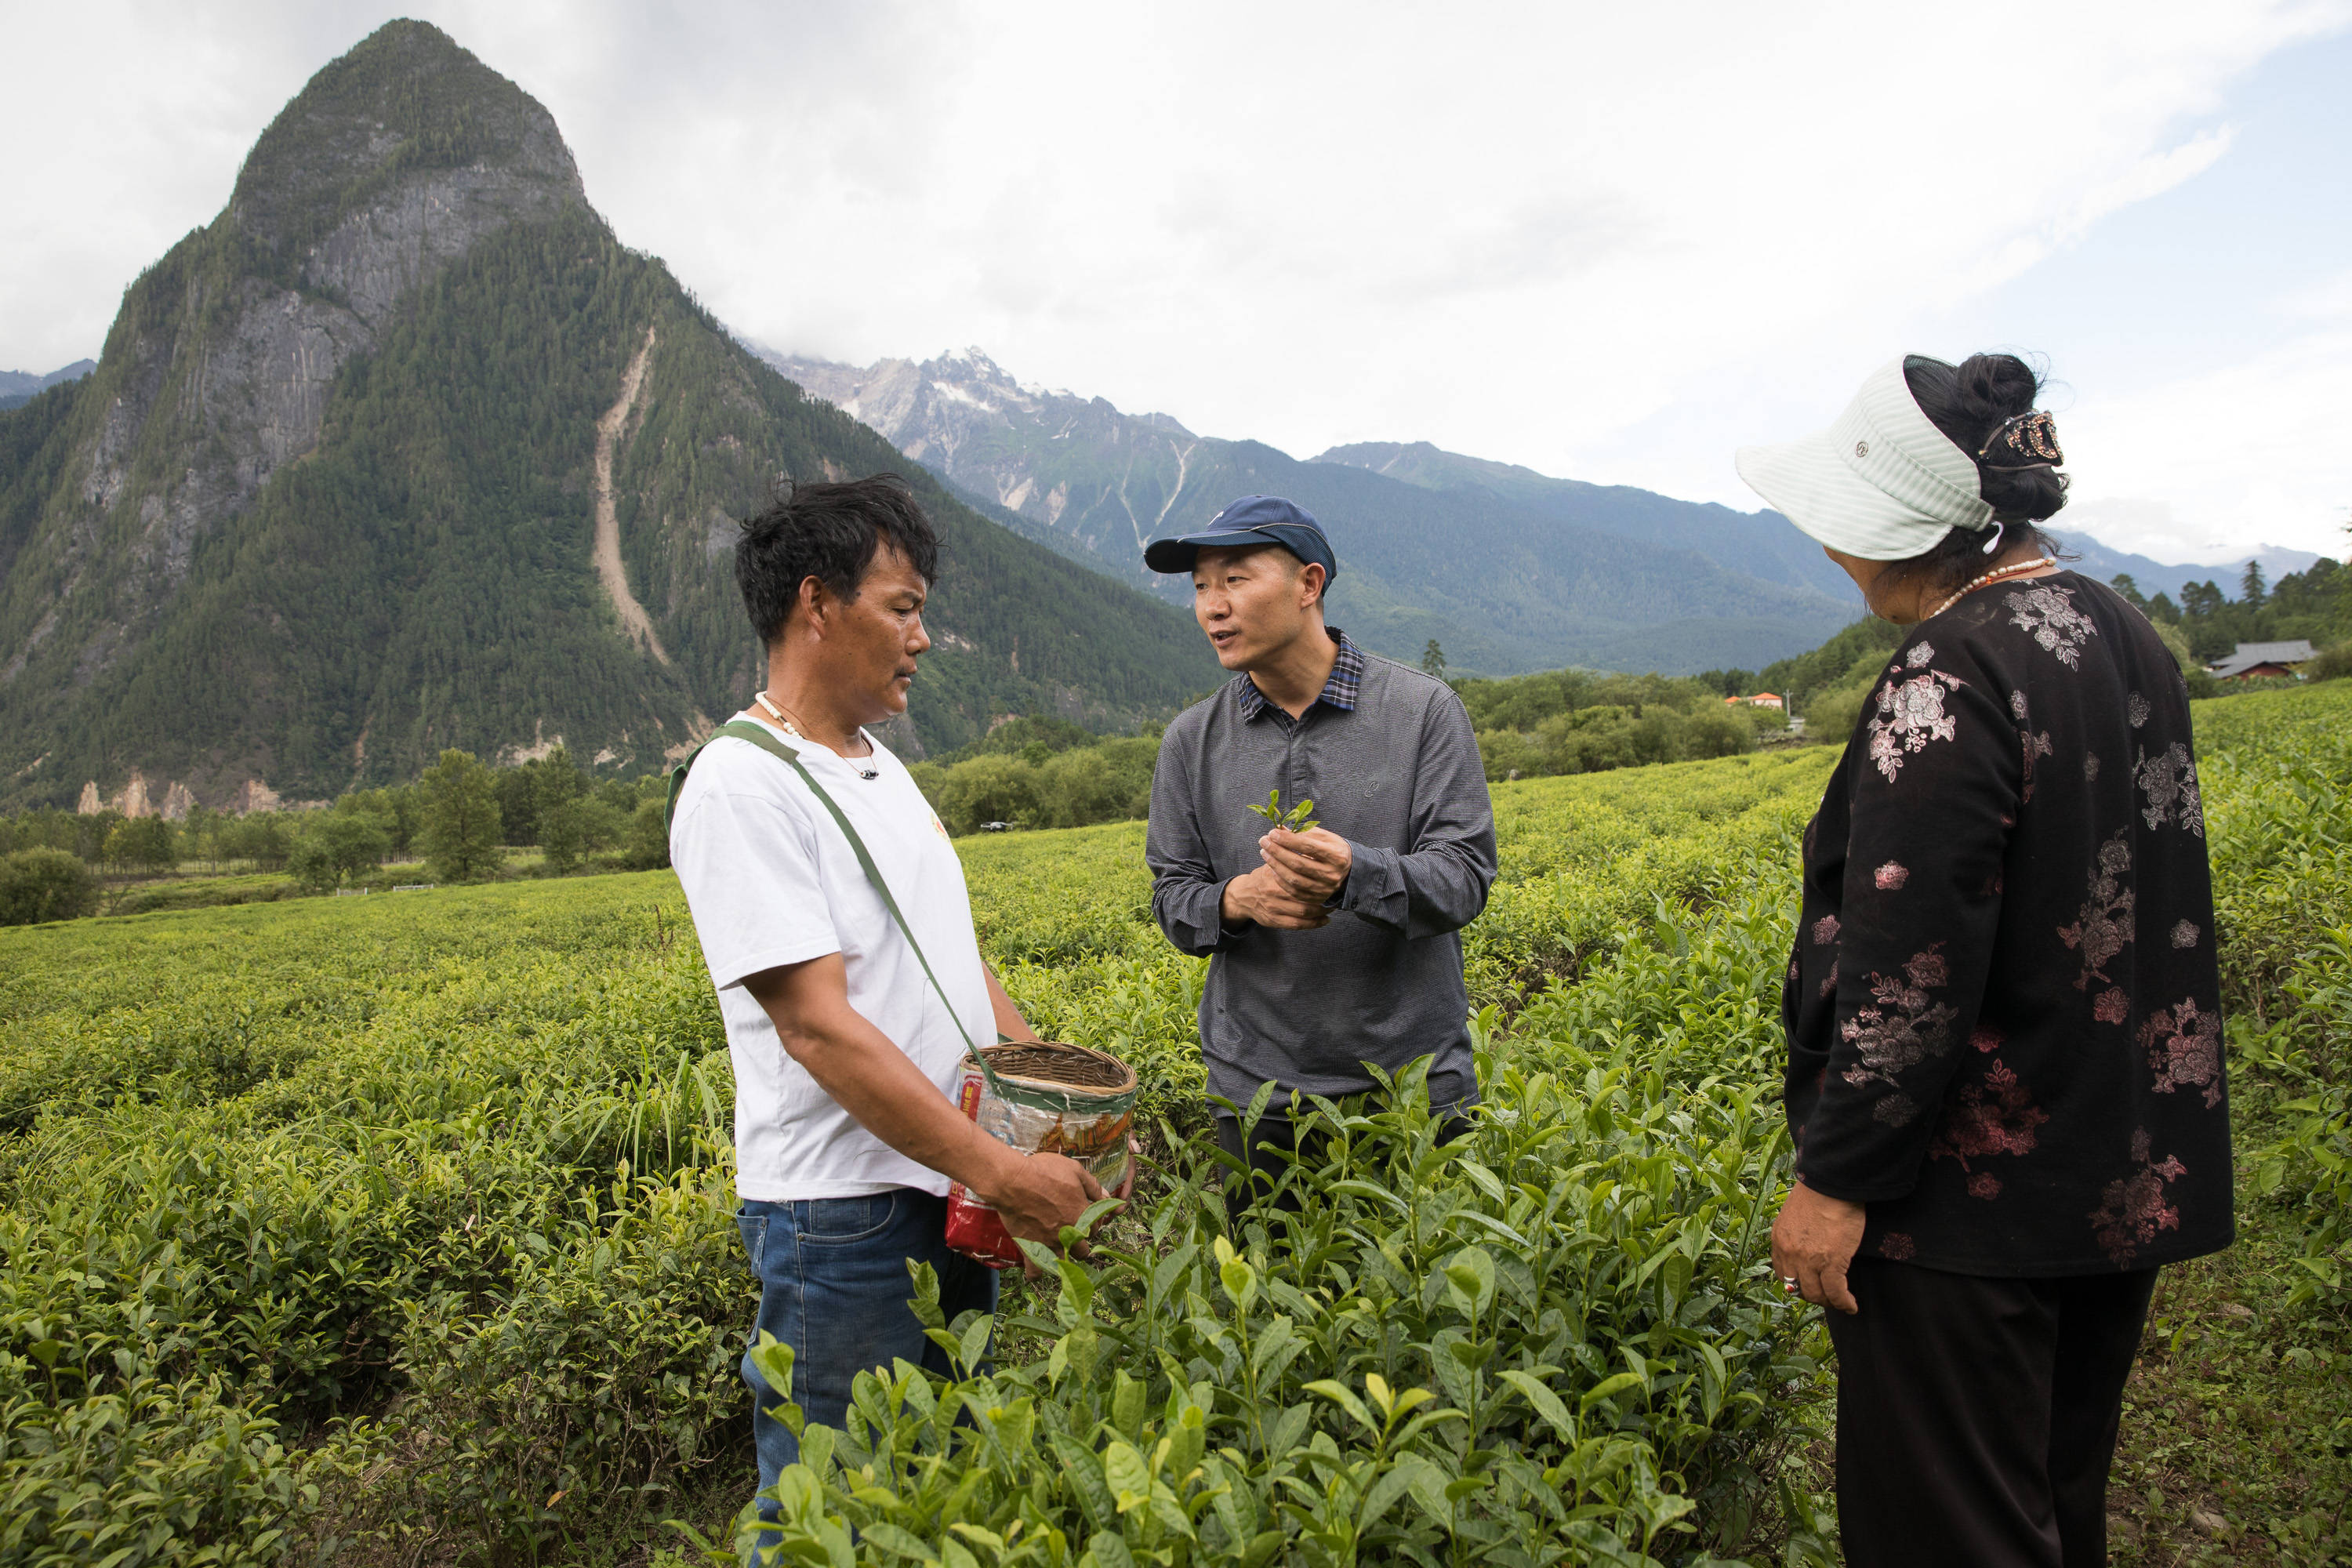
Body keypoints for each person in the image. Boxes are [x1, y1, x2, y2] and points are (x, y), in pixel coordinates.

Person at [1739, 355, 2232, 1566]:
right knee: (2054, 1499)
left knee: (1950, 1529)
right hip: (2110, 1163)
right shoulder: (2118, 629)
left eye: (1840, 530)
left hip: (1968, 1209)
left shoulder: (1950, 671)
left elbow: (1910, 968)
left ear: (1902, 532)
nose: (1831, 556)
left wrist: (1836, 1180)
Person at [665, 476, 1104, 1512]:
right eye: (903, 609)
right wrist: (1003, 1170)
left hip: (943, 1182)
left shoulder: (878, 766)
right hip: (844, 1218)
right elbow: (815, 1027)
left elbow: (956, 960)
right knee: (836, 1510)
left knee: (941, 1489)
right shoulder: (743, 783)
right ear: (816, 603)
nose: (923, 637)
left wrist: (1054, 1117)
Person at [1141, 495, 1497, 1210]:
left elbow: (1464, 880)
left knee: (1432, 1304)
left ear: (1309, 585)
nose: (1213, 605)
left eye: (1236, 579)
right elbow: (1173, 897)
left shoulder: (1422, 711)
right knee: (1272, 1304)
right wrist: (1235, 901)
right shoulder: (1191, 740)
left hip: (1412, 1089)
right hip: (1258, 1096)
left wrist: (1358, 875)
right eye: (1202, 586)